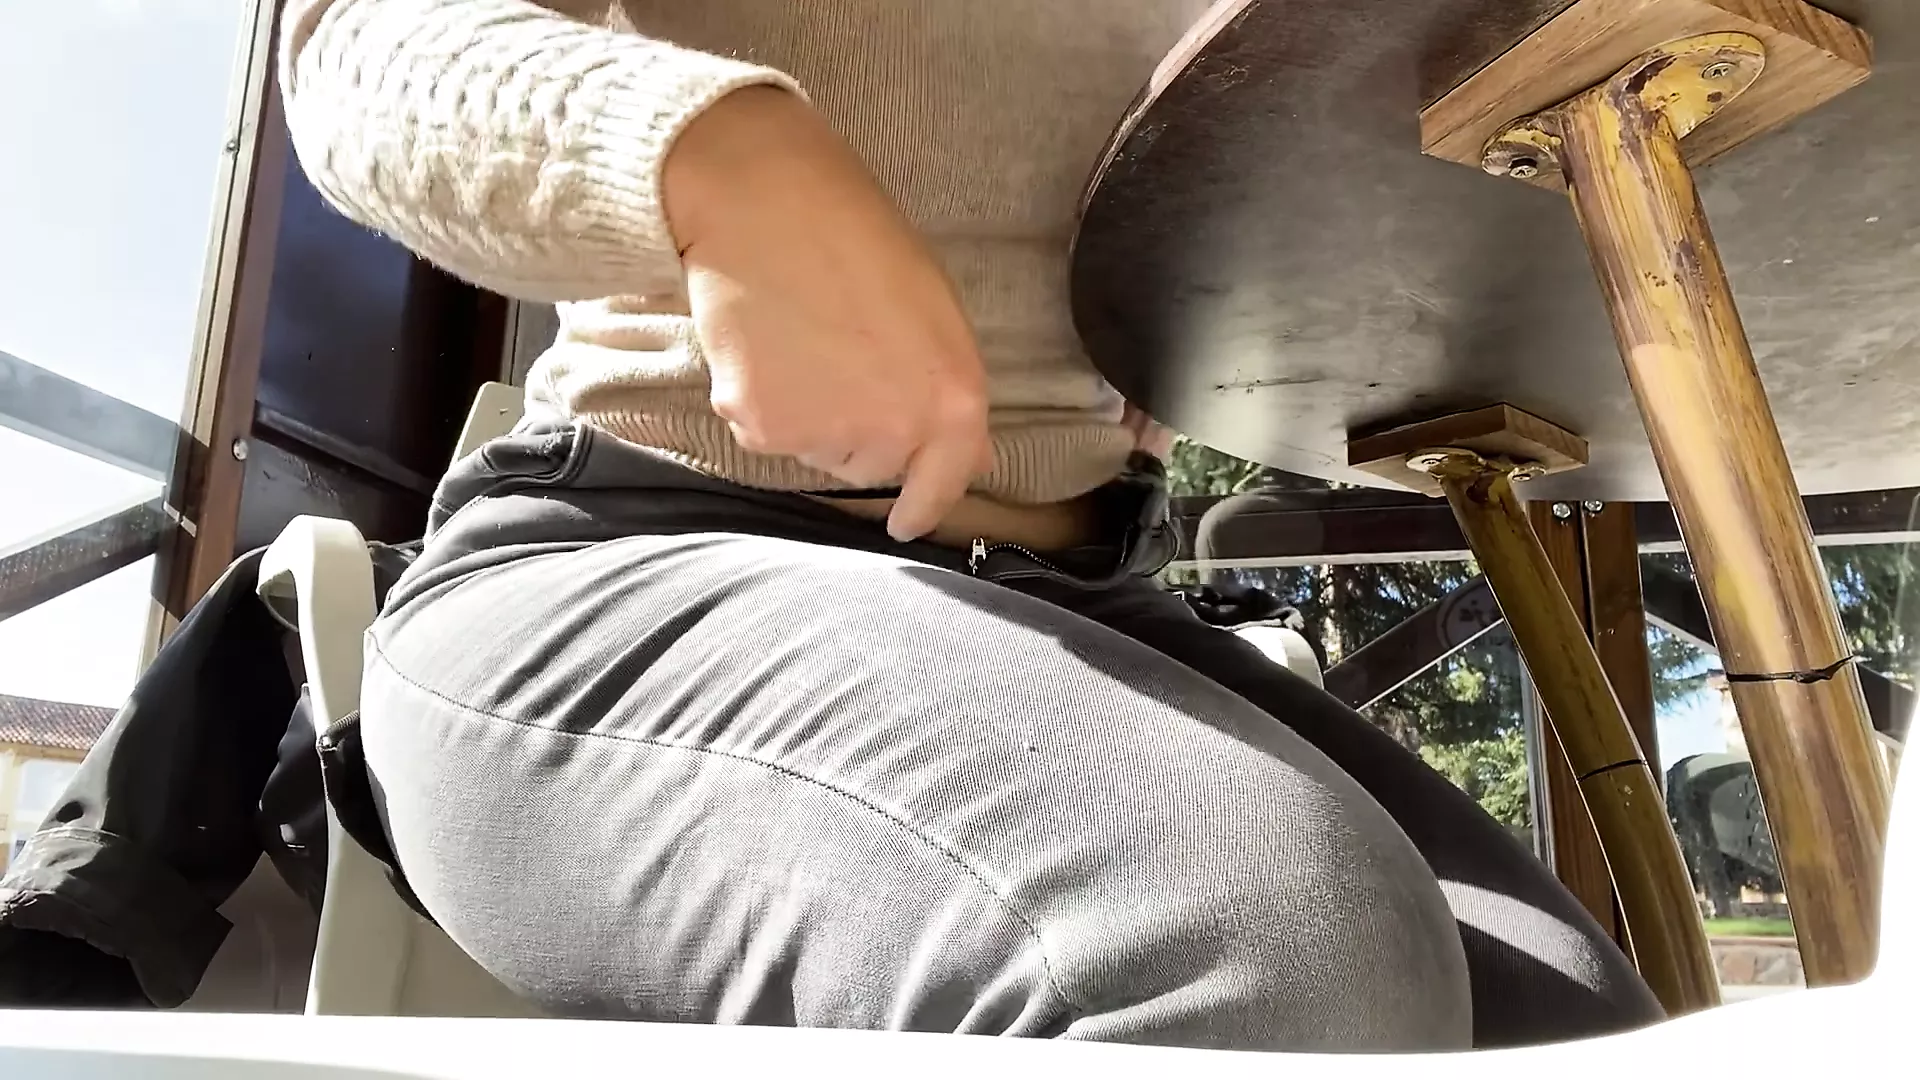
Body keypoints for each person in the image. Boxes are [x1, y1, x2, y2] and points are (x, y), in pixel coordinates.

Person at [279, 0, 1662, 1049]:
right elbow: (356, 45)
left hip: (1095, 602)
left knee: (1573, 1028)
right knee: (1260, 948)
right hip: (621, 561)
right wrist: (718, 162)